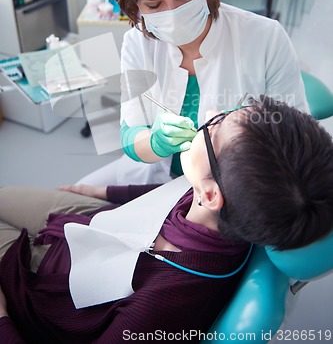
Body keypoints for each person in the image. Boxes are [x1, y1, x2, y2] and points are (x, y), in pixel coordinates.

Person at [1, 97, 333, 343]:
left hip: (42, 289)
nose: (208, 117)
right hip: (94, 223)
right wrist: (101, 191)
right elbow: (163, 195)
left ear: (211, 194)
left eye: (215, 128)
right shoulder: (225, 200)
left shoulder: (160, 305)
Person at [77, 0, 308, 187]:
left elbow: (297, 138)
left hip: (234, 189)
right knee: (66, 206)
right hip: (152, 182)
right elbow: (130, 134)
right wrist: (155, 142)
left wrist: (247, 136)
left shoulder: (265, 38)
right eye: (153, 5)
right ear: (135, 9)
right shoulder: (137, 44)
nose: (173, 12)